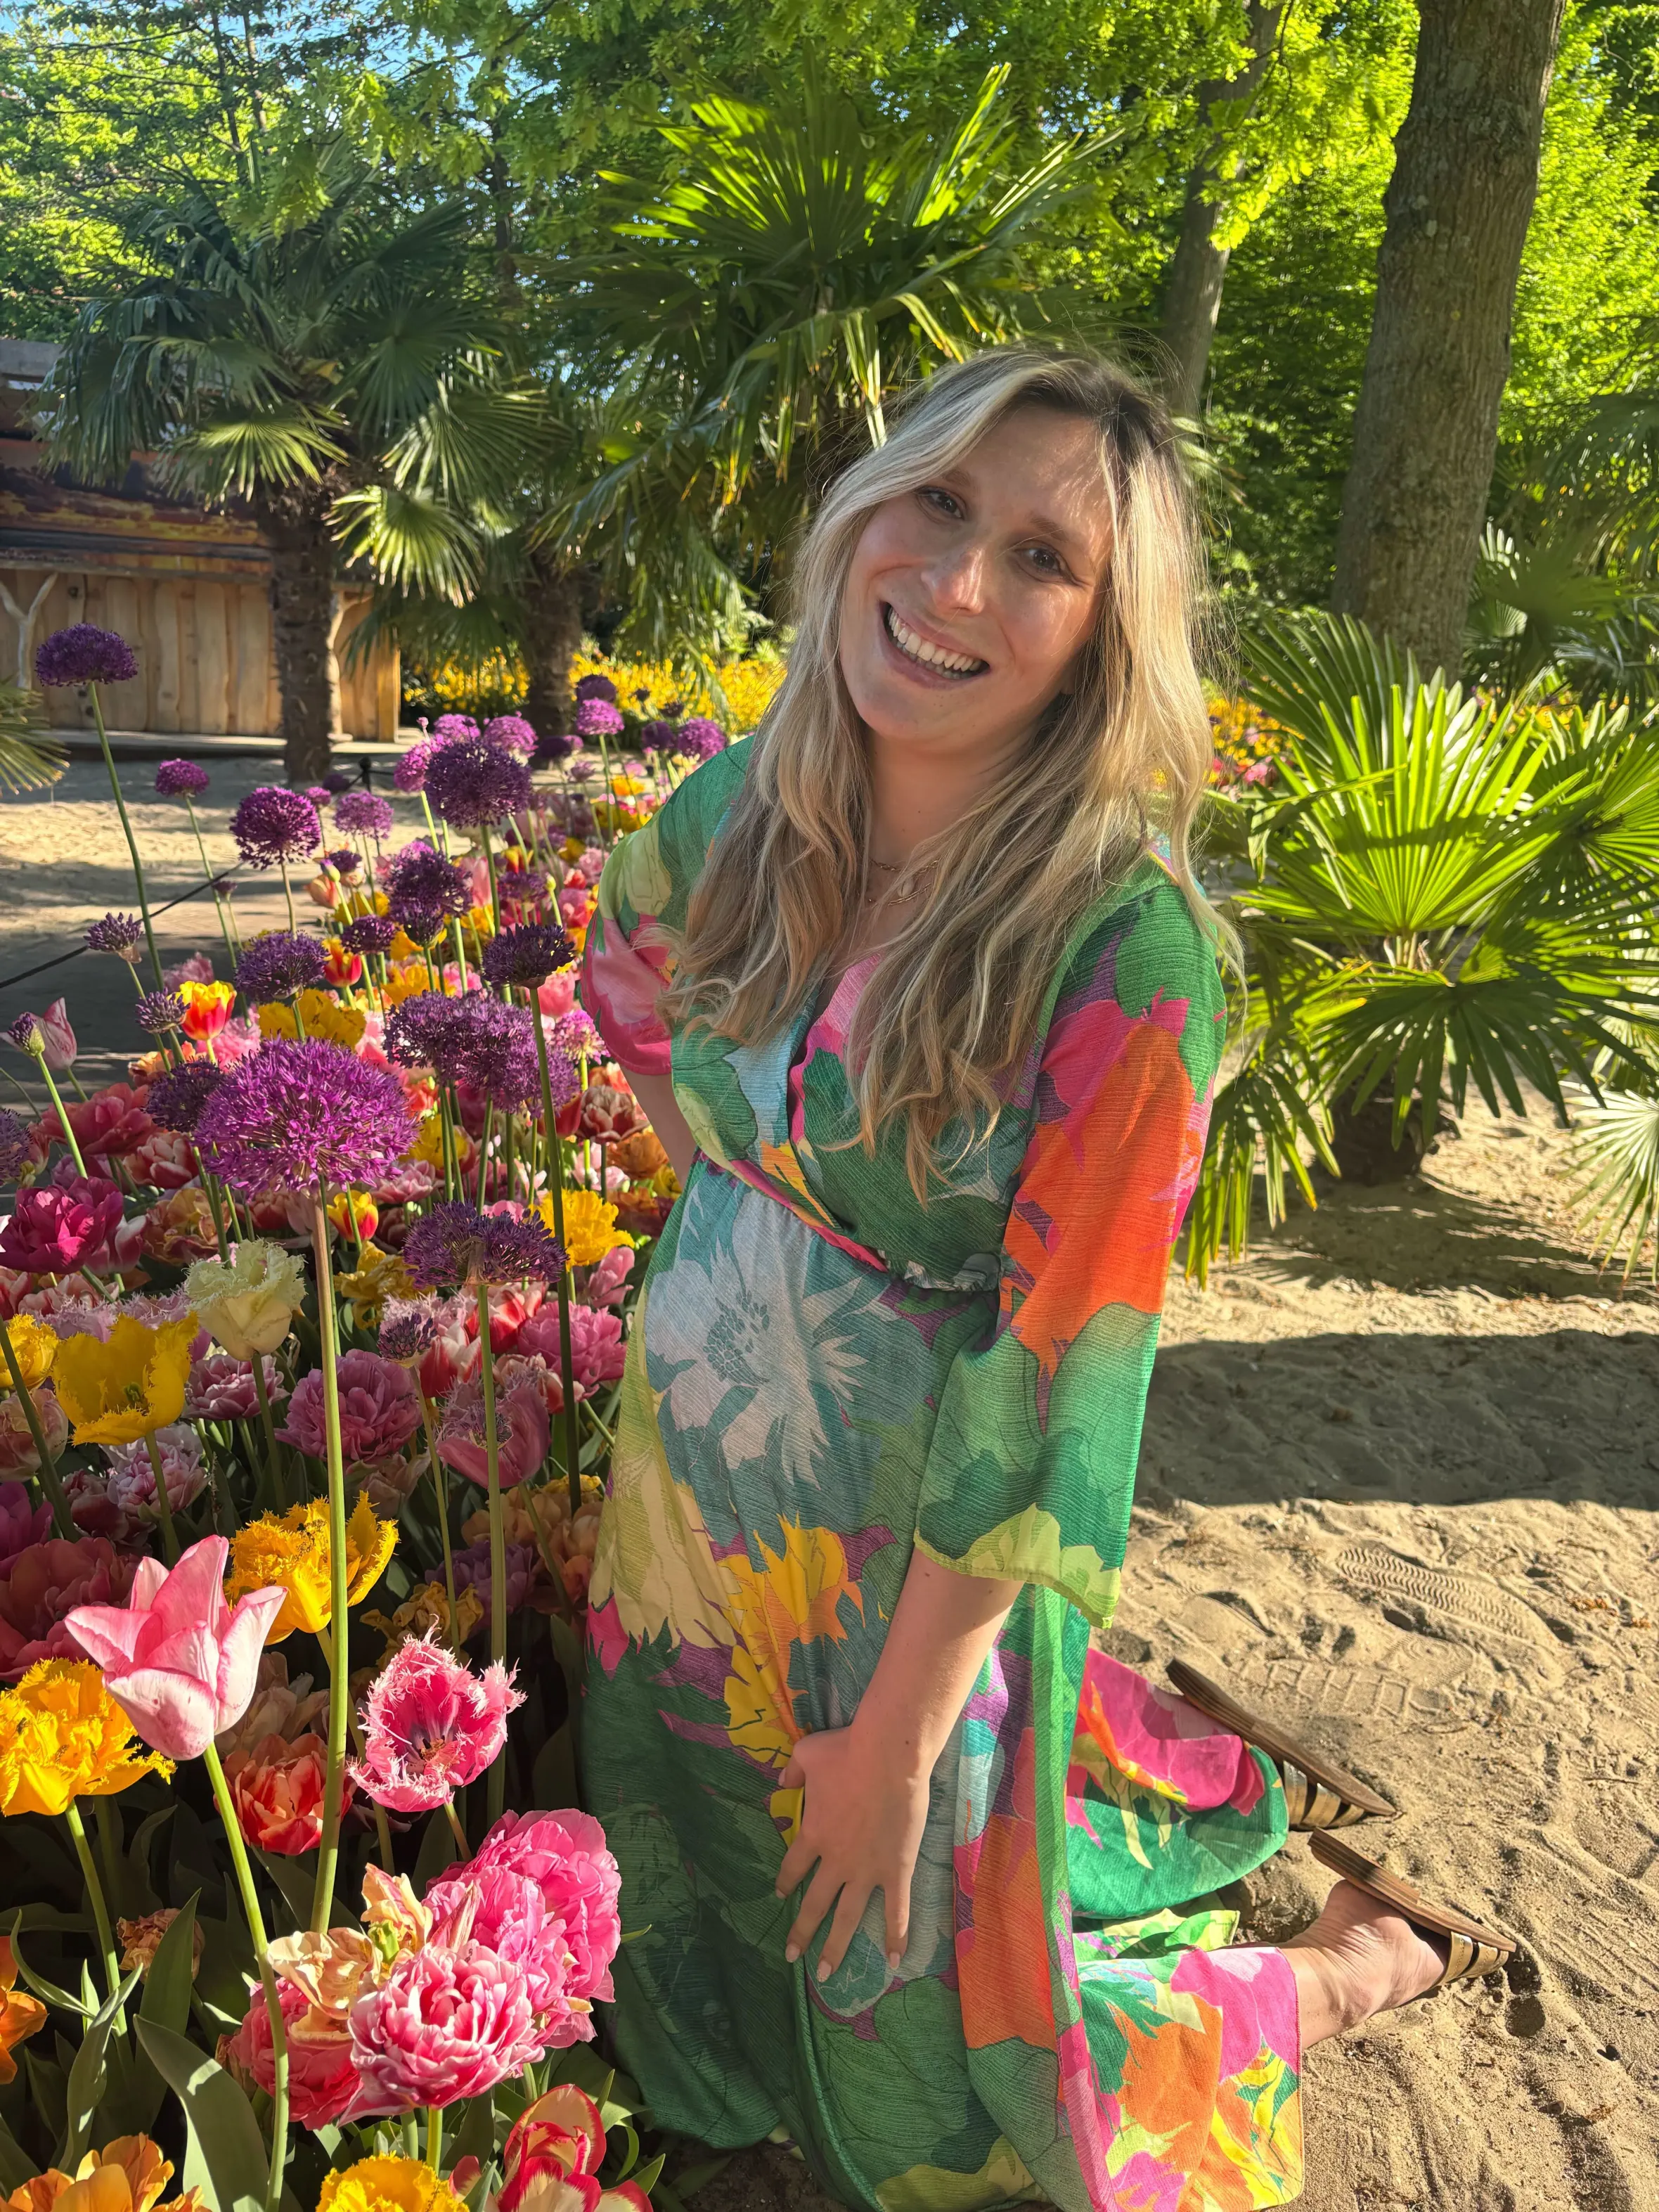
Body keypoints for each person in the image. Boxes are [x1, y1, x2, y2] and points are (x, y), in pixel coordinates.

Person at [578, 345, 1510, 2212]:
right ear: (867, 512)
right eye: (938, 504)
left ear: (1100, 642)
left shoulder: (1127, 947)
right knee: (686, 1967)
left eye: (1041, 560)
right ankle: (1128, 1768)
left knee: (955, 2100)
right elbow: (624, 970)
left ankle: (1336, 1965)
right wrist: (751, 1222)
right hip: (683, 1510)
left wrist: (904, 1738)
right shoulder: (754, 806)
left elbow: (1053, 1384)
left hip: (908, 1566)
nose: (958, 586)